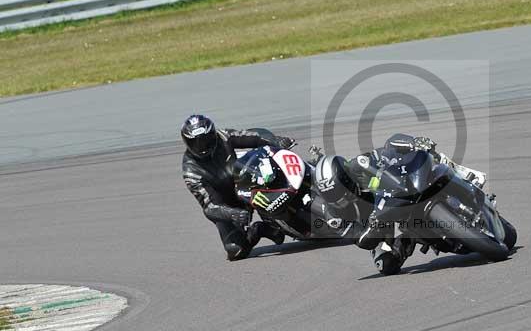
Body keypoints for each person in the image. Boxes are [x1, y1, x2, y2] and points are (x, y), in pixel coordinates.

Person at [310, 133, 487, 273]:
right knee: (386, 264)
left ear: (346, 178)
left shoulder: (360, 165)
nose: (339, 200)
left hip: (395, 195)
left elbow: (388, 150)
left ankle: (464, 175)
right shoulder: (333, 216)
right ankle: (409, 238)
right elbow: (362, 241)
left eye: (339, 193)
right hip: (379, 227)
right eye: (332, 196)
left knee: (430, 157)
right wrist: (372, 227)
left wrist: (410, 144)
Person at [181, 114, 296, 261]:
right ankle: (262, 229)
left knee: (270, 171)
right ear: (187, 143)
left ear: (213, 134)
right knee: (235, 251)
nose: (202, 146)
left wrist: (275, 140)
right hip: (226, 205)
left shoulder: (223, 137)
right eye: (196, 143)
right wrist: (232, 213)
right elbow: (209, 207)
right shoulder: (191, 172)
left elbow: (253, 134)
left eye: (205, 140)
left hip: (245, 184)